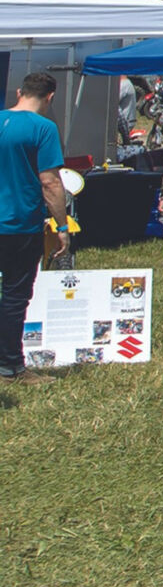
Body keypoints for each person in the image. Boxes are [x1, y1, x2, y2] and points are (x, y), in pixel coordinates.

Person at [0, 73, 71, 385]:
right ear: (50, 98)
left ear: (19, 92)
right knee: (15, 296)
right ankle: (11, 368)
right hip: (19, 224)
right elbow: (51, 182)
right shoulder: (43, 128)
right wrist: (62, 225)